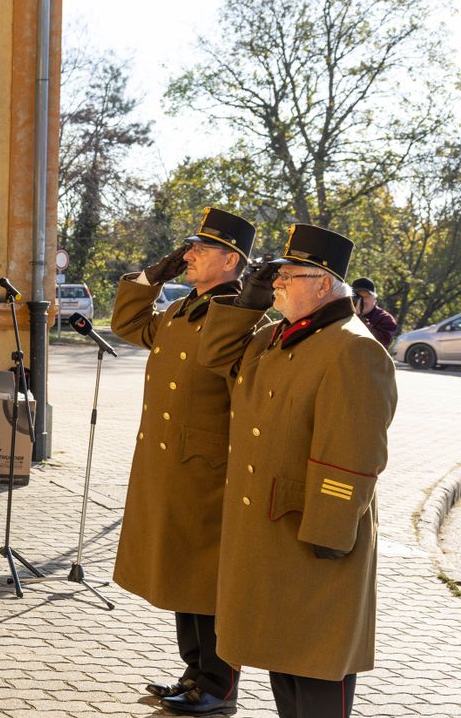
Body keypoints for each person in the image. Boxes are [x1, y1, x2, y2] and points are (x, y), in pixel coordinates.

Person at [198, 224, 397, 718]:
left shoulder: (353, 348)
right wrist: (249, 301)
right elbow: (214, 356)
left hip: (313, 537)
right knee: (283, 664)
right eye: (277, 276)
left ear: (325, 284)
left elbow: (355, 451)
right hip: (271, 530)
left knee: (317, 672)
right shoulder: (274, 335)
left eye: (289, 276)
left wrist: (328, 530)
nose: (279, 283)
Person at [110, 207, 256, 717]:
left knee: (209, 583)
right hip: (171, 467)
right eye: (188, 247)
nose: (188, 255)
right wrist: (154, 276)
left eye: (199, 249)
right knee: (181, 577)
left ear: (231, 260)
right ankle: (194, 673)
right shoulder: (179, 309)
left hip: (210, 472)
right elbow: (128, 324)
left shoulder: (238, 316)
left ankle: (219, 685)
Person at [350, 276, 398, 347]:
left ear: (374, 299)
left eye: (366, 296)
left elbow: (380, 344)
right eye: (357, 297)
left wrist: (358, 318)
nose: (362, 301)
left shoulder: (386, 319)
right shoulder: (344, 314)